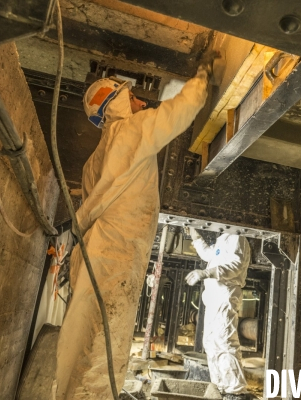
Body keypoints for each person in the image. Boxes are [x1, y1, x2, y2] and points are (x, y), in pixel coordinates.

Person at [53, 53, 217, 399]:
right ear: (115, 104)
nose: (140, 100)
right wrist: (202, 76)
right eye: (131, 96)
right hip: (114, 259)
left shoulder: (95, 159)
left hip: (99, 255)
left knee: (85, 342)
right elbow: (180, 111)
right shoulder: (132, 131)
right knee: (101, 348)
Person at [185, 228, 251, 400]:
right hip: (214, 298)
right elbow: (209, 255)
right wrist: (196, 237)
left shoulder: (236, 237)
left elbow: (236, 265)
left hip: (225, 294)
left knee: (224, 340)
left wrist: (206, 273)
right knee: (210, 342)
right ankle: (221, 387)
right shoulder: (222, 239)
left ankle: (236, 391)